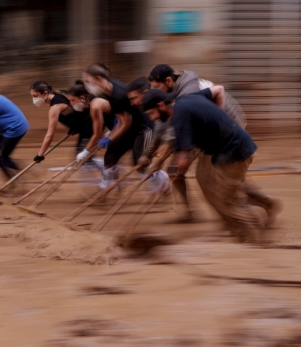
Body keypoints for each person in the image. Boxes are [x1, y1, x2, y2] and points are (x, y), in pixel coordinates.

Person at [140, 87, 282, 244]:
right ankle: (244, 232)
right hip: (232, 149)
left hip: (234, 153)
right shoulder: (188, 99)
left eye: (151, 113)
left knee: (227, 202)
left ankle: (257, 240)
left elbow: (185, 157)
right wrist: (219, 118)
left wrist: (170, 175)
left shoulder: (179, 117)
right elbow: (218, 90)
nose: (152, 118)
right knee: (220, 194)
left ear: (161, 105)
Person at [80, 63, 167, 194]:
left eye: (88, 81)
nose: (87, 85)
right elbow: (122, 120)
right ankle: (105, 188)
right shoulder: (109, 90)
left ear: (98, 78)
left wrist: (109, 138)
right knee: (110, 155)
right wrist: (110, 138)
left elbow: (125, 123)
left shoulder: (117, 94)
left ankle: (162, 182)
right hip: (130, 128)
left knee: (139, 163)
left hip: (143, 128)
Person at [29, 80, 102, 172]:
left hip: (91, 124)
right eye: (32, 96)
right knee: (82, 156)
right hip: (86, 124)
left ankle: (106, 169)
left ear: (45, 93)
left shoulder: (54, 108)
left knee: (82, 156)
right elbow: (75, 111)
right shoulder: (60, 93)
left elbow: (49, 136)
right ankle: (103, 170)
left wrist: (40, 154)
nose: (33, 99)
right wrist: (75, 126)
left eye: (35, 96)